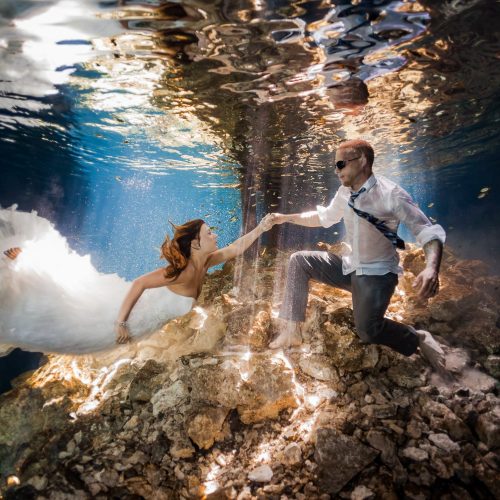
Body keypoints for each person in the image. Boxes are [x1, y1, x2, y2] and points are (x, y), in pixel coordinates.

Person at [267, 139, 447, 372]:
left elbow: (427, 231)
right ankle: (292, 331)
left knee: (368, 331)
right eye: (335, 165)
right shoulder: (345, 191)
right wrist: (285, 217)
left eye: (340, 164)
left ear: (362, 161)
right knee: (299, 260)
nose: (336, 170)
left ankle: (418, 337)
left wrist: (432, 268)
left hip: (377, 276)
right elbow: (325, 218)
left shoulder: (392, 195)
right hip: (349, 268)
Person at [1, 206, 273, 355]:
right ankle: (29, 263)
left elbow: (236, 248)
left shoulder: (205, 262)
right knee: (62, 309)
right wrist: (120, 324)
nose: (215, 235)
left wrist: (262, 227)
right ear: (195, 244)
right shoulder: (179, 272)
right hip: (123, 317)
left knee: (69, 302)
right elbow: (139, 284)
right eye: (209, 232)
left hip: (142, 324)